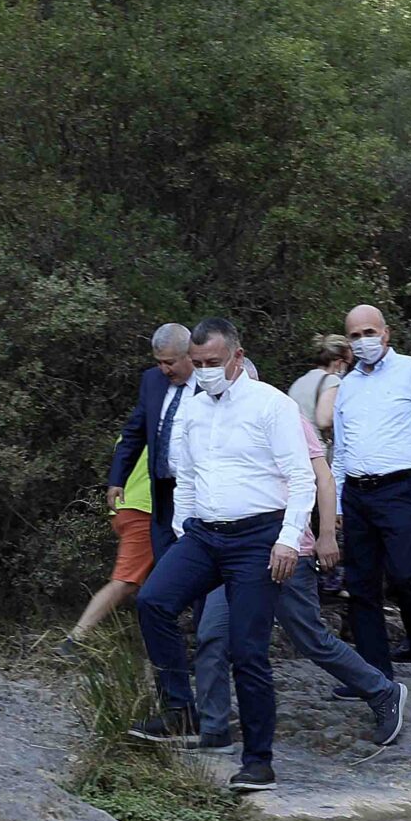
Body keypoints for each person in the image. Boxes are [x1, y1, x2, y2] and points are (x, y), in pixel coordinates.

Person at [129, 318, 312, 794]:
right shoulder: (192, 407)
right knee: (153, 601)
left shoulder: (272, 404)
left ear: (236, 356)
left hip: (258, 536)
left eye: (214, 363)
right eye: (200, 363)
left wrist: (289, 538)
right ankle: (181, 711)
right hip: (204, 533)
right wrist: (182, 528)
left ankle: (258, 760)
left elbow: (302, 476)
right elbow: (185, 473)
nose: (206, 371)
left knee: (247, 649)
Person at [188, 403, 406, 753]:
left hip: (286, 549)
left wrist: (325, 534)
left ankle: (383, 691)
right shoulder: (213, 419)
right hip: (229, 549)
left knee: (309, 637)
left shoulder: (283, 416)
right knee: (212, 633)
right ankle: (214, 728)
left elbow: (322, 476)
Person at [333, 305, 411, 696]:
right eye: (355, 335)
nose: (363, 341)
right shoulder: (347, 385)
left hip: (401, 489)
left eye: (369, 332)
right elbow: (341, 447)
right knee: (361, 585)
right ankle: (375, 676)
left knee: (407, 576)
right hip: (356, 493)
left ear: (386, 333)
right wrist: (335, 503)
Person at [108, 323, 195, 568]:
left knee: (198, 562)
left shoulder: (209, 383)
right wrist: (117, 479)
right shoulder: (152, 380)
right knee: (165, 563)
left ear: (189, 355)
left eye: (170, 362)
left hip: (199, 488)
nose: (164, 369)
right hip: (164, 489)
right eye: (159, 362)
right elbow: (135, 432)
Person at [60, 449, 156, 651]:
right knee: (125, 582)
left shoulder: (135, 433)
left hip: (124, 505)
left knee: (154, 583)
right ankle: (75, 640)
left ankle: (153, 645)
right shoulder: (168, 427)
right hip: (145, 510)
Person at [288, 334, 349, 436]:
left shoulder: (298, 382)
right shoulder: (332, 381)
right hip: (318, 446)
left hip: (297, 443)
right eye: (348, 364)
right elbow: (324, 421)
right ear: (338, 363)